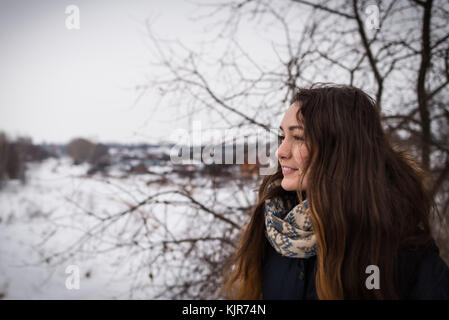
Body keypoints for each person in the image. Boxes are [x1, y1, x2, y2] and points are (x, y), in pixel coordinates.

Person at [221, 83, 449, 300]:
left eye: (298, 137)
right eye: (283, 136)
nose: (281, 151)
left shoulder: (399, 251)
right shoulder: (275, 231)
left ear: (340, 150)